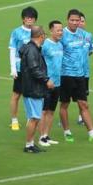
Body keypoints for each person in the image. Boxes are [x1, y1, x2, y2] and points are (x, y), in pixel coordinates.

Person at [59, 9, 93, 143]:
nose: (74, 22)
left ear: (80, 21)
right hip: (65, 75)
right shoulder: (62, 35)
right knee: (64, 104)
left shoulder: (86, 35)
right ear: (67, 20)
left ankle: (92, 134)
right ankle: (67, 131)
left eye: (77, 20)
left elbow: (89, 52)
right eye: (71, 20)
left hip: (81, 76)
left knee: (84, 104)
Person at [19, 26, 54, 153]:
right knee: (34, 118)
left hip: (33, 88)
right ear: (41, 36)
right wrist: (46, 80)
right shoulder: (32, 50)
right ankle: (28, 145)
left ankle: (31, 143)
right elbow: (34, 69)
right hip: (33, 89)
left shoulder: (32, 49)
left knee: (35, 117)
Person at [8, 6, 38, 131]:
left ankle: (29, 118)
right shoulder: (16, 32)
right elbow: (12, 50)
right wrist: (13, 68)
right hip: (21, 68)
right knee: (16, 94)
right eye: (27, 18)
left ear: (35, 19)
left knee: (30, 94)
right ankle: (14, 120)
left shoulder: (37, 31)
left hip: (33, 69)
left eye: (32, 18)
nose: (29, 20)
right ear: (23, 19)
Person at [40, 20, 63, 148]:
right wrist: (45, 79)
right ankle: (41, 137)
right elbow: (39, 62)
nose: (60, 32)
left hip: (57, 83)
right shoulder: (45, 45)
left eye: (61, 30)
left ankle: (46, 135)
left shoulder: (60, 45)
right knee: (43, 111)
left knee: (51, 111)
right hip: (47, 83)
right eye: (58, 30)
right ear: (51, 31)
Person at [76, 12, 93, 125]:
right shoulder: (67, 34)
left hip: (84, 71)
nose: (80, 23)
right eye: (78, 21)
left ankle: (81, 116)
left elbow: (90, 51)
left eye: (82, 21)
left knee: (83, 95)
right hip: (70, 71)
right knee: (66, 97)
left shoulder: (89, 36)